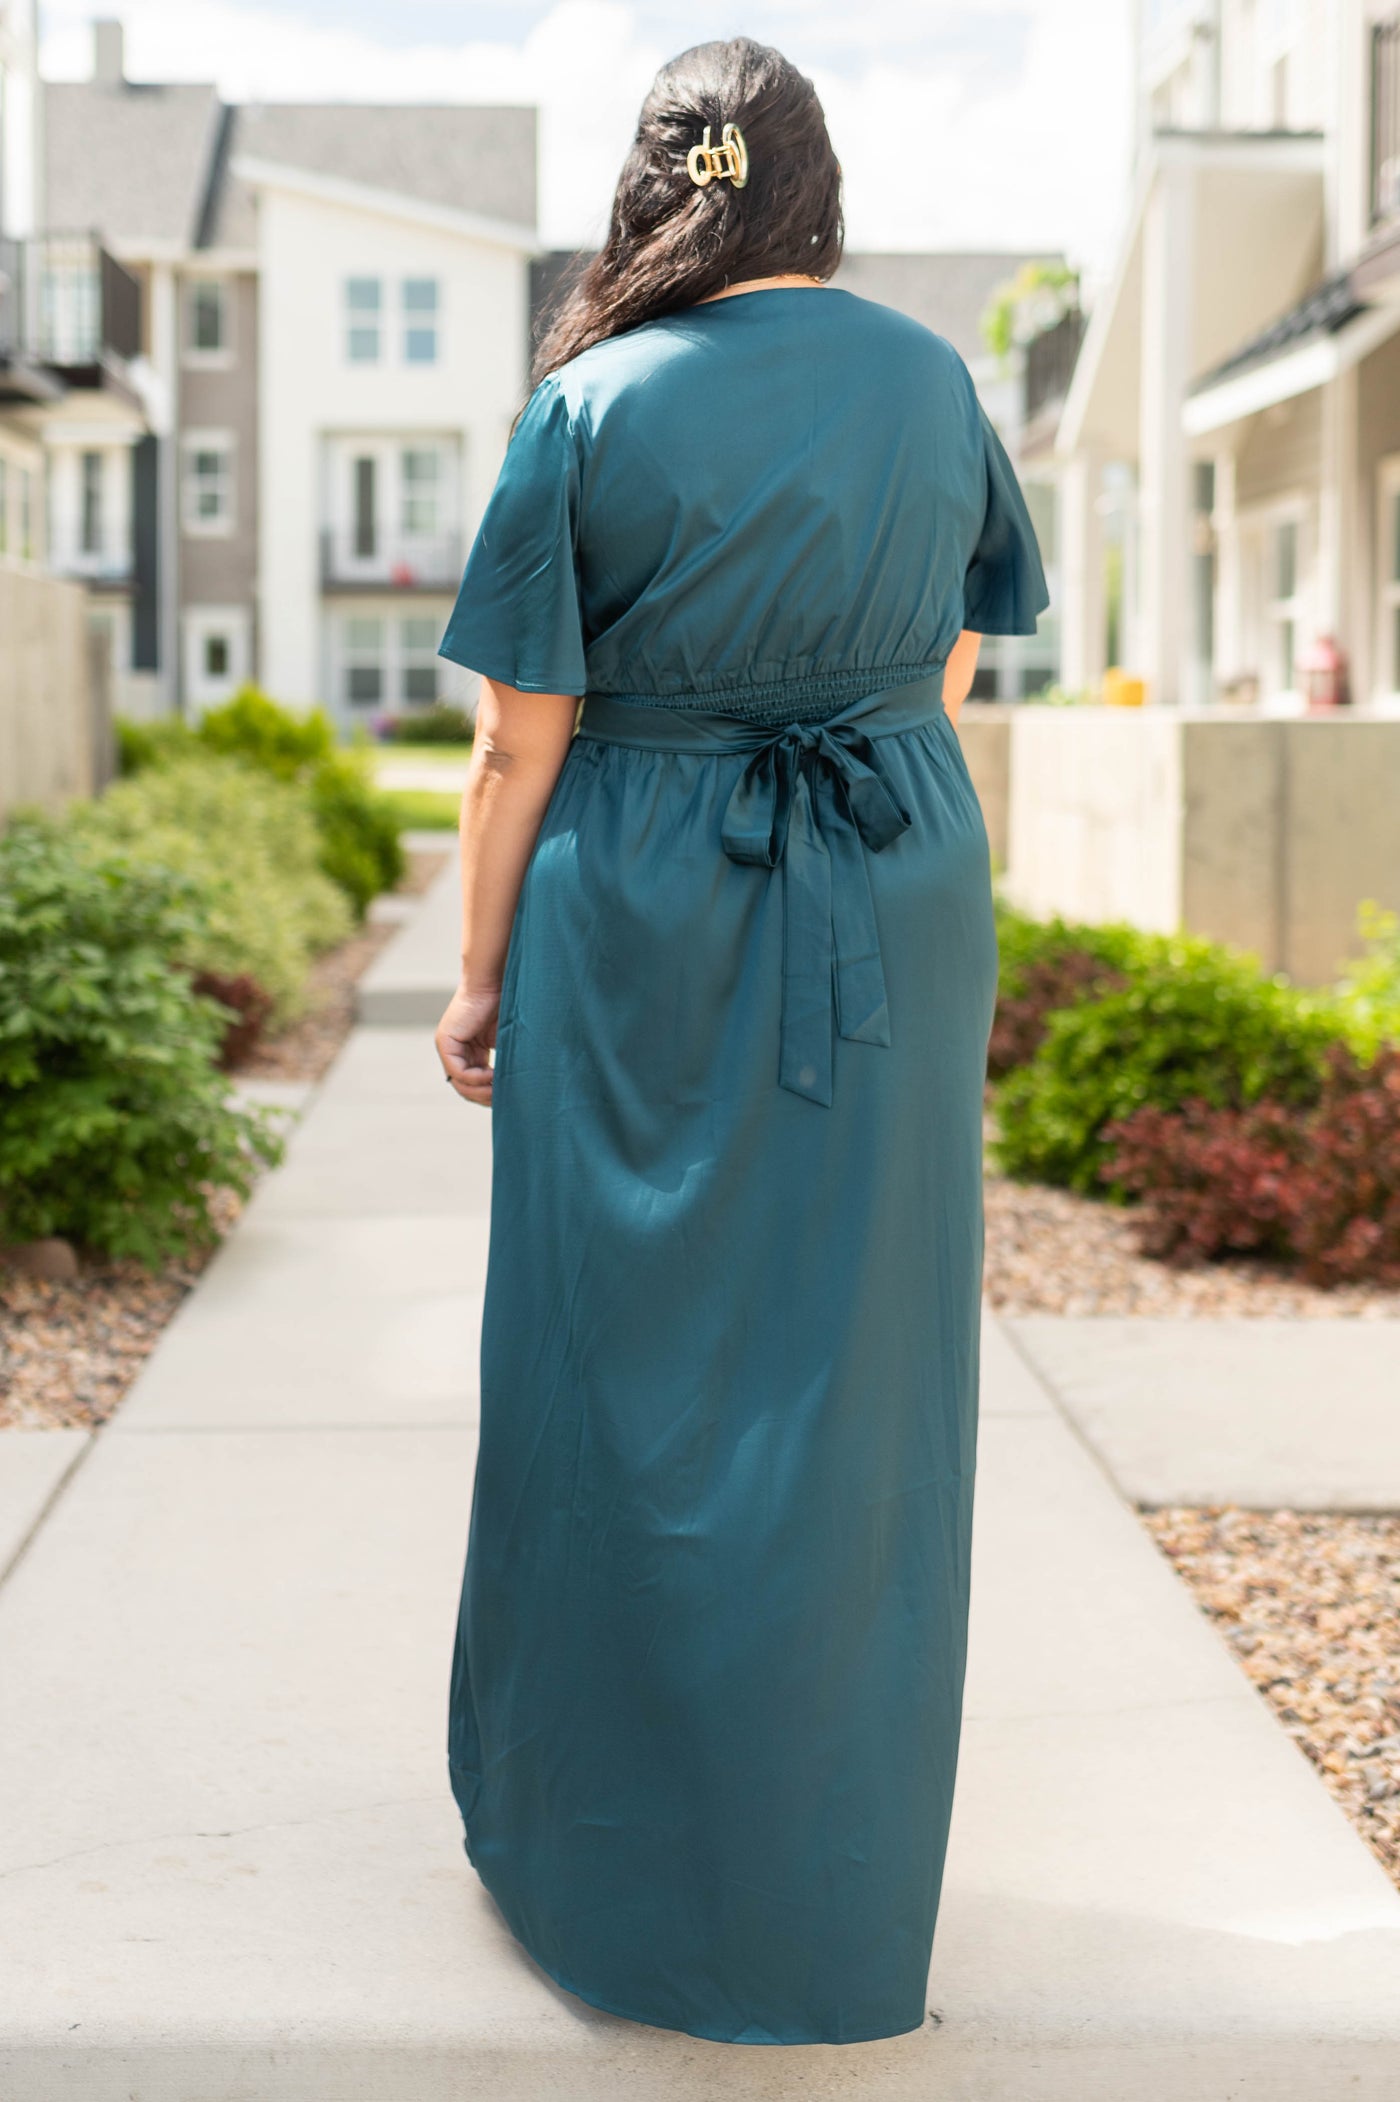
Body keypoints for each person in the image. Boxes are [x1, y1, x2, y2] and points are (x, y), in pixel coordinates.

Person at [433, 34, 1047, 2048]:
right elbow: (951, 651)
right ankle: (829, 1885)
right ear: (815, 185)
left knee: (626, 1359)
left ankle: (614, 1854)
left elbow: (520, 738)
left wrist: (476, 971)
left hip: (654, 897)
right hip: (888, 879)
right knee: (859, 1377)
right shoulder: (931, 378)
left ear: (651, 189)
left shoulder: (588, 399)